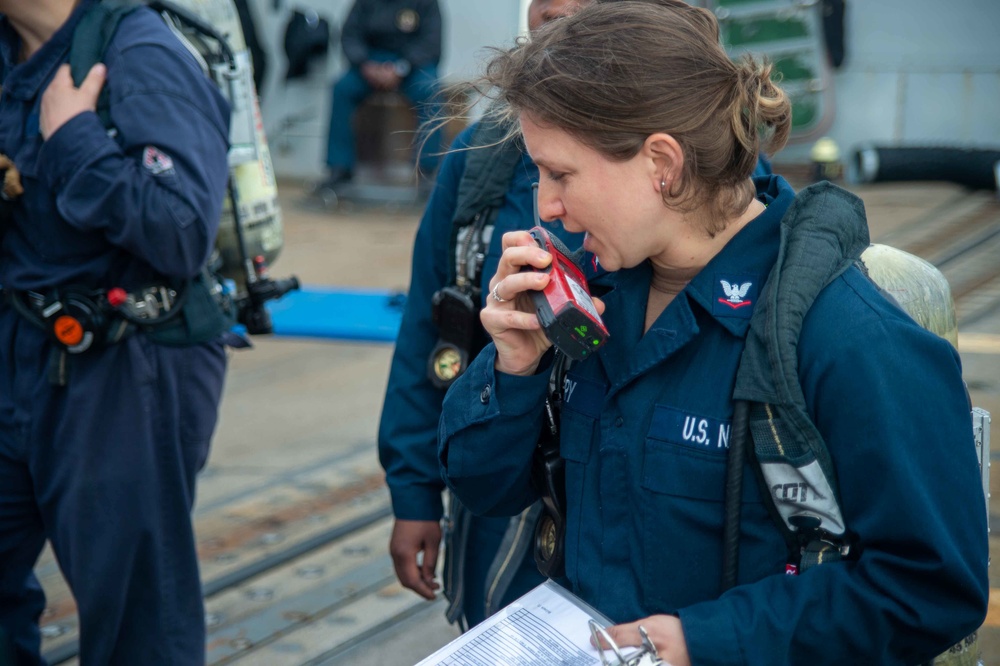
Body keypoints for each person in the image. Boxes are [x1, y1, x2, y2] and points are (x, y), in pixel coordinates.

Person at [438, 3, 988, 665]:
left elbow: (929, 589)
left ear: (662, 163)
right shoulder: (589, 301)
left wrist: (707, 641)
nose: (545, 207)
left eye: (560, 174)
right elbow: (486, 490)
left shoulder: (846, 336)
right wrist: (513, 370)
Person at [0, 0, 232, 664]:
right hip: (18, 347)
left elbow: (183, 230)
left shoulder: (141, 56)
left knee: (136, 624)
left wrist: (75, 137)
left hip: (127, 369)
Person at [316, 0, 443, 192]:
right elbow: (350, 35)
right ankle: (339, 168)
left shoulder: (427, 3)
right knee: (342, 88)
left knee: (431, 91)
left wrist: (401, 68)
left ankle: (427, 171)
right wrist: (365, 63)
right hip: (370, 63)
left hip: (412, 66)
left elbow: (431, 43)